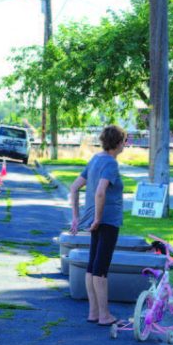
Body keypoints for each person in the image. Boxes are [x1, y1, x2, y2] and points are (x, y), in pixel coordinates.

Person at [69, 125, 127, 326]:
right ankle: (104, 315)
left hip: (95, 221)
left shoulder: (95, 159)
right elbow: (101, 192)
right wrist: (98, 218)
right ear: (118, 143)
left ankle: (94, 312)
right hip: (107, 221)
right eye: (124, 141)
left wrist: (77, 218)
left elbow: (74, 187)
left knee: (92, 266)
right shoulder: (110, 163)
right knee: (101, 269)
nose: (124, 145)